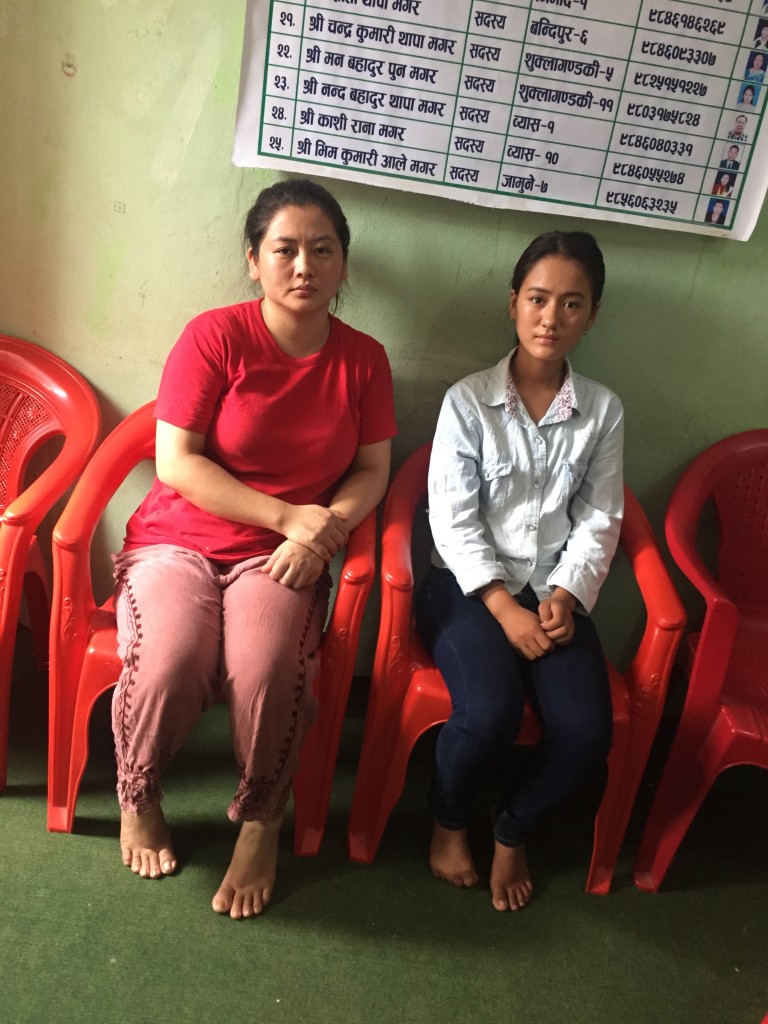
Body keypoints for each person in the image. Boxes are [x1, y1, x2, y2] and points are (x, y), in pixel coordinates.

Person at [112, 178, 397, 918]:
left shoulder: (364, 360)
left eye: (322, 250)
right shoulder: (214, 336)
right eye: (286, 249)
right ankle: (138, 792)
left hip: (283, 557)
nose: (304, 266)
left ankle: (261, 818)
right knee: (171, 657)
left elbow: (372, 471)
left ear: (343, 265)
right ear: (253, 260)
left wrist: (323, 530)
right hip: (180, 540)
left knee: (268, 666)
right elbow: (177, 462)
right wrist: (288, 516)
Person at [415, 232, 623, 912]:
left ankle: (513, 826)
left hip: (553, 587)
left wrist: (565, 594)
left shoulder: (603, 411)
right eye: (537, 299)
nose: (550, 318)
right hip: (466, 586)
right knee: (490, 711)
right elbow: (452, 520)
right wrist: (504, 609)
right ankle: (448, 822)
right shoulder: (468, 402)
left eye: (571, 303)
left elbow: (600, 518)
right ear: (513, 304)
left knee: (587, 732)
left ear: (591, 315)